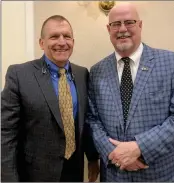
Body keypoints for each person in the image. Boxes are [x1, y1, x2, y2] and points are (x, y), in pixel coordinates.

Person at [87, 2, 174, 182]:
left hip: (163, 175)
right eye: (116, 24)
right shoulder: (97, 71)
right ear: (108, 29)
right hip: (115, 175)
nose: (122, 29)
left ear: (140, 25)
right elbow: (92, 119)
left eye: (129, 22)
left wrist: (140, 147)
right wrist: (113, 153)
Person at [1, 15, 99, 182]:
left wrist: (92, 158)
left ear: (73, 42)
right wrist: (8, 178)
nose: (62, 42)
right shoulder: (19, 75)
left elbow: (86, 121)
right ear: (41, 43)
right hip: (34, 174)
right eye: (54, 36)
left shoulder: (83, 74)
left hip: (73, 172)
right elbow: (6, 133)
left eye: (67, 36)